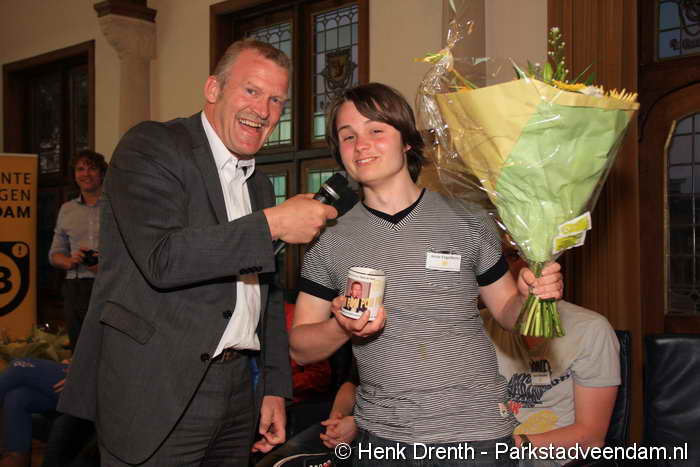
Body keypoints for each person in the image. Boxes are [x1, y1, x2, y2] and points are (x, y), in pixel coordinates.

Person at [58, 39, 337, 466]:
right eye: (251, 90)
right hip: (157, 390)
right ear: (213, 89)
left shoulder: (259, 185)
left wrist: (275, 389)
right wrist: (273, 224)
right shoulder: (152, 146)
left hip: (238, 390)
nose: (263, 110)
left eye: (276, 100)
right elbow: (162, 257)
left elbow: (266, 293)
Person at [289, 82, 563, 465]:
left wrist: (531, 298)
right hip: (382, 439)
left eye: (376, 130)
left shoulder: (467, 220)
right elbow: (300, 346)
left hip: (476, 434)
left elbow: (507, 312)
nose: (361, 145)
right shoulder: (328, 239)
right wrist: (342, 326)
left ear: (406, 141)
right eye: (348, 136)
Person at [482, 253, 620, 466]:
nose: (521, 267)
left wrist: (508, 447)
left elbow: (590, 437)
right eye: (511, 258)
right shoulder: (477, 325)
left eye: (524, 257)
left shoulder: (591, 329)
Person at [49, 150, 107, 349]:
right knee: (79, 347)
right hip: (75, 286)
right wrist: (69, 260)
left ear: (102, 173)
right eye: (80, 169)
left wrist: (104, 261)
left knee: (105, 347)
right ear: (74, 175)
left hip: (107, 285)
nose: (86, 174)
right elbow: (54, 254)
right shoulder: (67, 209)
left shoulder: (115, 207)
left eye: (92, 168)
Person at [0, 358, 68, 467]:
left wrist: (80, 375)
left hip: (90, 382)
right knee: (17, 397)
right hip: (75, 370)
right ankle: (17, 457)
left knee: (19, 366)